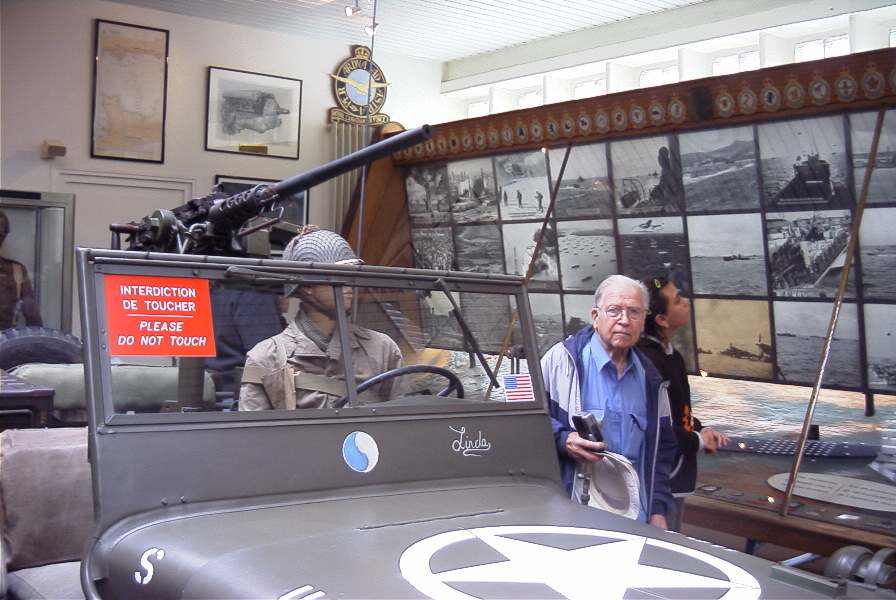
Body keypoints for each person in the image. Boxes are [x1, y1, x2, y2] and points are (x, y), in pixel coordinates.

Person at [541, 274, 676, 528]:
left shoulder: (652, 380)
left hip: (637, 518)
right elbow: (522, 418)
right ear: (595, 316)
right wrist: (562, 438)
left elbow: (663, 449)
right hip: (576, 514)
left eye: (634, 312)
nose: (624, 320)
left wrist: (658, 510)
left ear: (644, 320)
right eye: (614, 311)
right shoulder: (560, 361)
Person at [239, 226, 403, 410]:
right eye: (339, 276)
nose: (348, 285)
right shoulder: (266, 358)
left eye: (352, 274)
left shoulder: (382, 349)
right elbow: (255, 436)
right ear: (308, 286)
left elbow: (402, 425)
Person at [637, 275, 728, 531]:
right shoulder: (650, 361)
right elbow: (657, 426)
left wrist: (700, 429)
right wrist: (698, 441)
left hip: (678, 473)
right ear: (662, 319)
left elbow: (678, 413)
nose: (686, 302)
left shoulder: (671, 356)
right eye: (677, 300)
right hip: (665, 477)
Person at [0, 209, 42, 331]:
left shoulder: (16, 270)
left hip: (6, 341)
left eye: (1, 234)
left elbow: (32, 314)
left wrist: (37, 345)